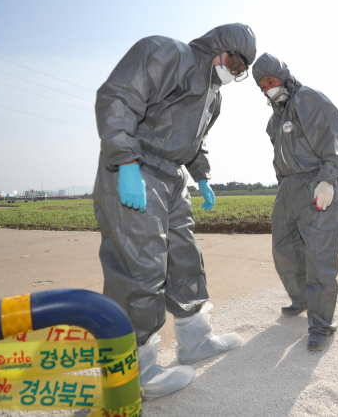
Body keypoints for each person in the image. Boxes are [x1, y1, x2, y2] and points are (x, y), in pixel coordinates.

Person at [93, 23, 256, 398]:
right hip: (136, 168)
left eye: (240, 69)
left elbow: (196, 141)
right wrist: (126, 162)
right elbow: (118, 97)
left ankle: (195, 339)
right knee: (140, 268)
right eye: (234, 61)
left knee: (184, 257)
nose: (233, 72)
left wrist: (202, 177)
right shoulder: (167, 54)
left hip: (172, 176)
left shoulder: (213, 95)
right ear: (220, 47)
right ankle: (132, 373)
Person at [252, 53, 338, 351]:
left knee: (319, 257)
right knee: (284, 249)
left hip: (316, 184)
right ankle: (301, 299)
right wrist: (283, 186)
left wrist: (328, 179)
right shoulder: (274, 119)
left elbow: (331, 141)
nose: (267, 88)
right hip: (289, 188)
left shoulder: (309, 100)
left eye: (270, 81)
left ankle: (321, 325)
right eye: (261, 86)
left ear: (284, 76)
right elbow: (279, 156)